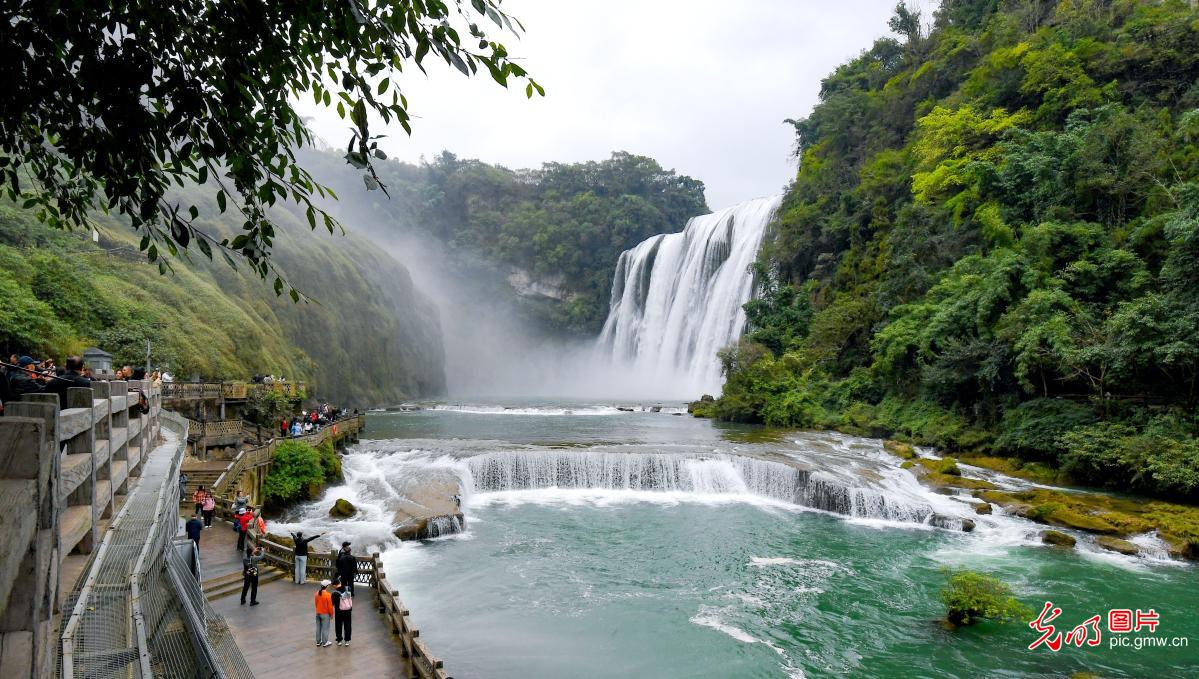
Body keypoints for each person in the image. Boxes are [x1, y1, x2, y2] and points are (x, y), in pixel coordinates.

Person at [332, 577, 353, 646]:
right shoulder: (348, 588)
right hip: (348, 610)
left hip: (339, 611)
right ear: (340, 583)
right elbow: (350, 597)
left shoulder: (334, 593)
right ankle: (347, 640)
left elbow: (333, 603)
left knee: (338, 625)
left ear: (335, 585)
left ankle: (339, 640)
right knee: (348, 625)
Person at [314, 580, 334, 647]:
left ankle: (318, 641)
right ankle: (325, 642)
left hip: (318, 613)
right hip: (325, 614)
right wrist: (331, 614)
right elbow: (330, 606)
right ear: (327, 586)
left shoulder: (317, 593)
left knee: (318, 627)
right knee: (325, 628)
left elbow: (316, 604)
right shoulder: (328, 595)